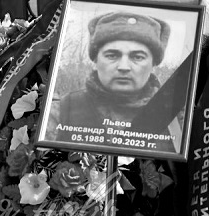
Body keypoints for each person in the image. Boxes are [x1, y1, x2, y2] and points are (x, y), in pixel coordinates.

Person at [48, 12, 184, 153]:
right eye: (112, 55)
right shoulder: (61, 112)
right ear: (95, 61)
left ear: (153, 64)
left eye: (137, 57)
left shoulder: (176, 117)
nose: (123, 66)